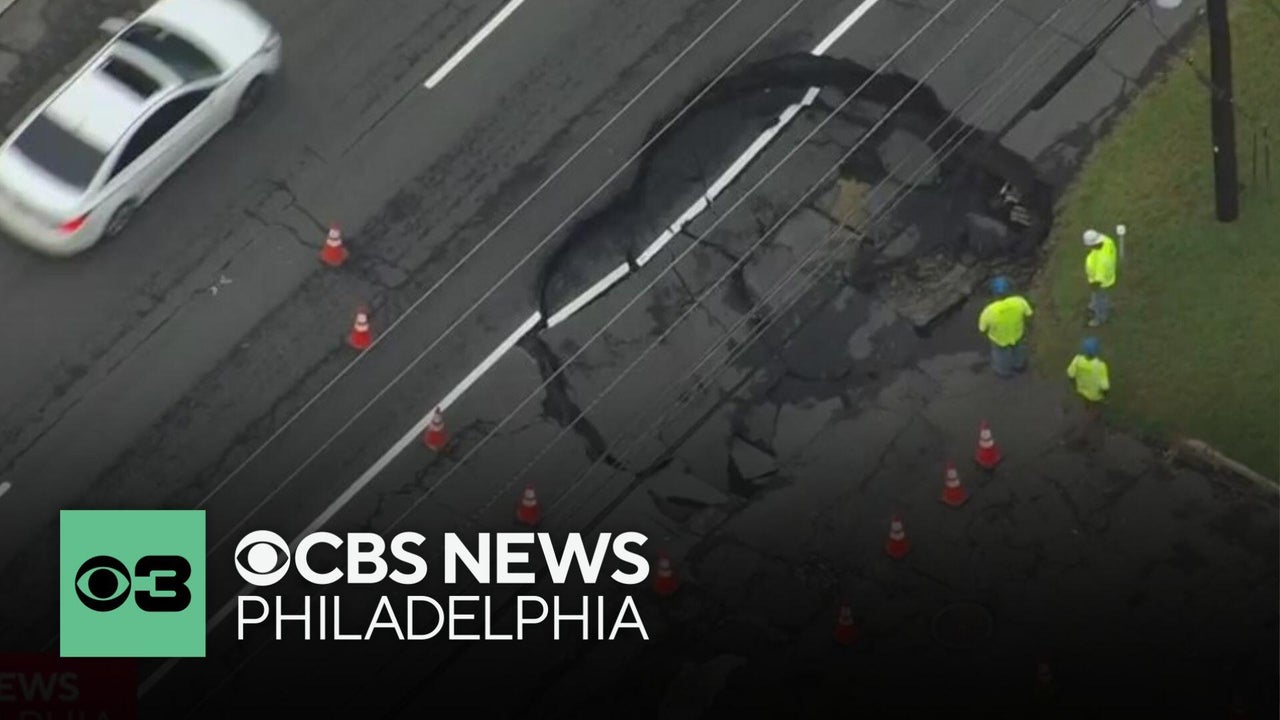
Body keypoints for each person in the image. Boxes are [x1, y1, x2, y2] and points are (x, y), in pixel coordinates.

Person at [977, 275, 1033, 377]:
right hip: (1017, 334)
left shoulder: (988, 311)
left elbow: (982, 329)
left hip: (999, 339)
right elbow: (1029, 314)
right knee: (1018, 351)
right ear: (1009, 290)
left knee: (1001, 356)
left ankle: (1004, 372)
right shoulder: (1019, 301)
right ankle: (1019, 366)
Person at [1066, 336, 1110, 446]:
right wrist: (1105, 394)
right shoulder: (1100, 366)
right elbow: (1104, 386)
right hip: (1095, 394)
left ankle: (1090, 415)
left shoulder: (1077, 360)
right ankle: (1083, 433)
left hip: (1082, 389)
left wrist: (1075, 384)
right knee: (1093, 409)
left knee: (1086, 403)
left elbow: (1070, 374)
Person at [1082, 229, 1118, 326]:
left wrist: (1093, 284)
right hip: (1106, 277)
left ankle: (1100, 318)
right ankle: (1095, 305)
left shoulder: (1102, 261)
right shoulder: (1108, 242)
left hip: (1100, 283)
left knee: (1100, 299)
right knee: (1099, 297)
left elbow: (1098, 280)